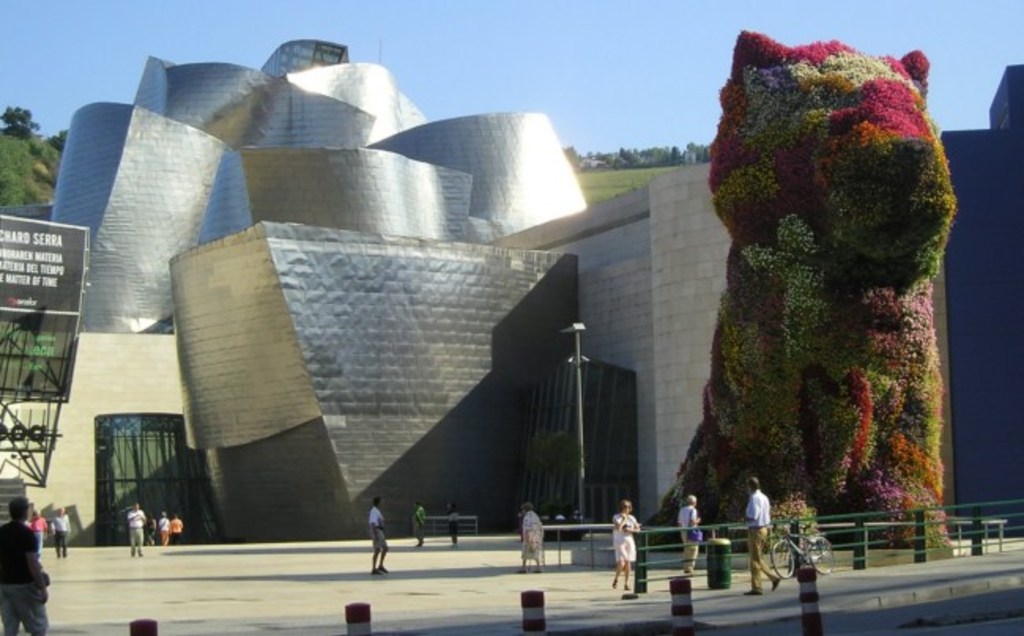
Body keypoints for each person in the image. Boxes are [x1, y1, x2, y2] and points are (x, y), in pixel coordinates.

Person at [0, 496, 50, 635]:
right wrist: (42, 588)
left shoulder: (2, 531)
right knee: (38, 625)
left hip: (5, 585)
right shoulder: (27, 534)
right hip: (24, 585)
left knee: (10, 627)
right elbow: (32, 563)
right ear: (26, 512)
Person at [744, 477, 781, 595]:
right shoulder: (764, 497)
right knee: (758, 557)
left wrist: (745, 518)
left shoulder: (754, 498)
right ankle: (773, 578)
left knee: (754, 560)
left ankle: (757, 587)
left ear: (750, 487)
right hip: (764, 528)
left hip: (755, 529)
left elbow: (754, 515)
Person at [612, 499, 640, 591]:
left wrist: (631, 530)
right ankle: (616, 578)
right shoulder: (616, 517)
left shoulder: (632, 518)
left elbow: (638, 529)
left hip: (629, 540)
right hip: (620, 541)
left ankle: (626, 583)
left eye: (628, 507)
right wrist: (624, 519)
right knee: (622, 562)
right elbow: (619, 528)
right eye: (624, 507)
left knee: (628, 562)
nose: (626, 509)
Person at [677, 494, 701, 575]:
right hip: (691, 531)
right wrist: (698, 520)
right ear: (694, 502)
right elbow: (692, 521)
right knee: (694, 550)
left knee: (686, 549)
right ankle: (690, 567)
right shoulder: (693, 510)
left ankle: (685, 567)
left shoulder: (682, 510)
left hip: (683, 531)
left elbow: (679, 522)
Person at [518, 503, 544, 573]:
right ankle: (538, 567)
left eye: (523, 509)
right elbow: (539, 526)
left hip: (529, 537)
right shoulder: (535, 516)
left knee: (525, 553)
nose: (522, 511)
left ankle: (524, 568)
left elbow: (528, 527)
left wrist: (527, 536)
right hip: (536, 537)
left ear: (525, 509)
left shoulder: (527, 516)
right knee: (535, 552)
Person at [369, 496, 389, 575]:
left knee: (385, 548)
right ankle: (374, 568)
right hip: (377, 531)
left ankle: (380, 565)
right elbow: (373, 523)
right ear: (379, 502)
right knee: (377, 550)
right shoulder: (374, 511)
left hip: (380, 531)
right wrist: (375, 534)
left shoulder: (377, 511)